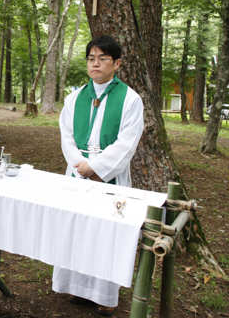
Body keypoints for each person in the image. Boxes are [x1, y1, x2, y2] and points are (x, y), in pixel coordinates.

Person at [55, 35, 144, 316]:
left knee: (106, 233)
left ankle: (105, 295)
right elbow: (66, 135)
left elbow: (128, 141)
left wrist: (99, 168)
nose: (96, 63)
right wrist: (79, 164)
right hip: (77, 173)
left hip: (110, 176)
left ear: (116, 63)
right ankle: (78, 288)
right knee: (76, 228)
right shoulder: (75, 97)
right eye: (91, 58)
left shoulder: (130, 99)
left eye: (103, 58)